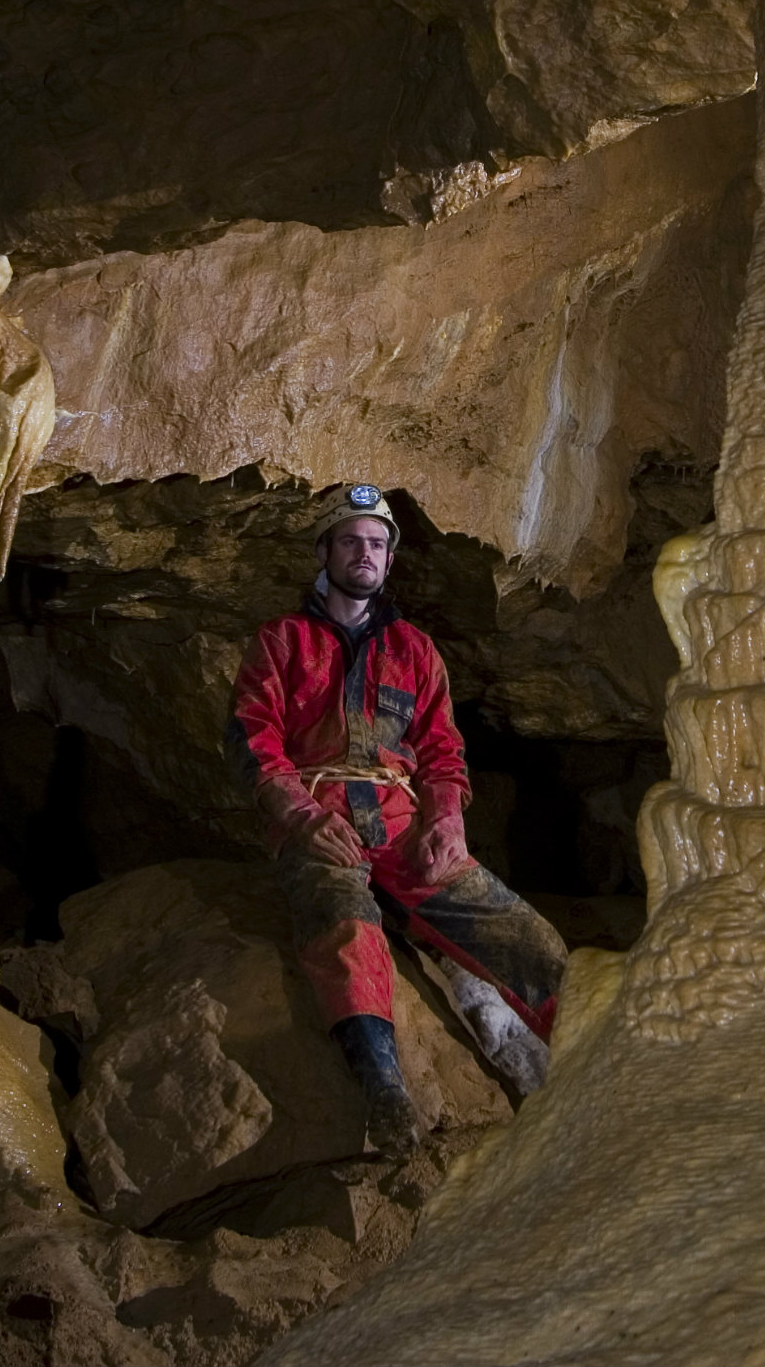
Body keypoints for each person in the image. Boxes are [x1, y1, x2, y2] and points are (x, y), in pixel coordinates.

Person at [224, 484, 570, 1155]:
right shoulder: (282, 642)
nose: (366, 553)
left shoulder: (414, 649)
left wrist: (447, 822)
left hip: (401, 820)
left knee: (522, 931)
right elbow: (252, 737)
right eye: (351, 541)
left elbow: (442, 750)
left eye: (378, 544)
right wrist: (299, 816)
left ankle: (600, 1063)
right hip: (323, 815)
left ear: (389, 559)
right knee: (345, 923)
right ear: (324, 552)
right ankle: (385, 1090)